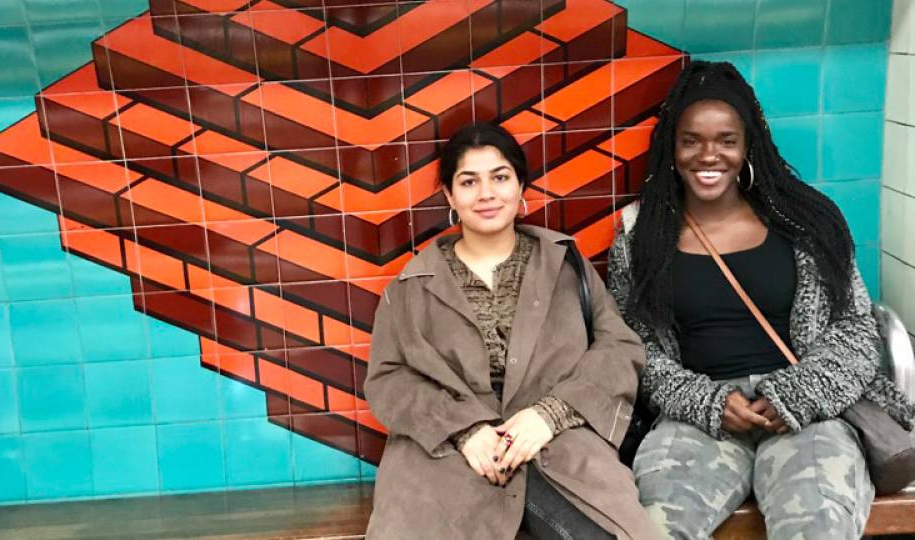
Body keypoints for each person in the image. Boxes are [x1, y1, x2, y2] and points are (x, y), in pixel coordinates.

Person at [607, 60, 915, 539]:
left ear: (748, 145)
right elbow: (632, 347)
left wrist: (794, 394)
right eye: (691, 141)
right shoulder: (639, 236)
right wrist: (708, 402)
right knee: (657, 527)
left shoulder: (806, 222)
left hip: (807, 417)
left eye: (726, 140)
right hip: (696, 421)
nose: (709, 155)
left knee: (818, 523)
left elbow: (855, 331)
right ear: (671, 146)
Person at [364, 123, 657, 539]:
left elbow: (619, 348)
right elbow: (388, 380)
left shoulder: (564, 265)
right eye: (469, 182)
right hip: (446, 459)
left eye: (500, 177)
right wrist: (463, 430)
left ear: (521, 187)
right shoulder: (411, 287)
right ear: (450, 196)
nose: (486, 193)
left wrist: (550, 414)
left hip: (558, 447)